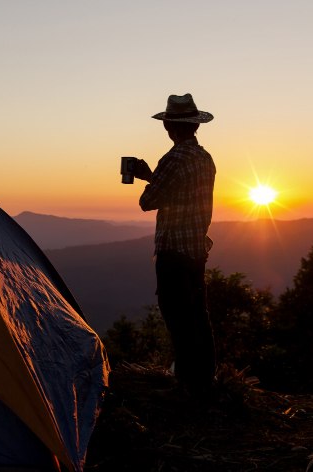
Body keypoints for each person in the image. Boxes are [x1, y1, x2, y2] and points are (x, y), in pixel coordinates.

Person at [130, 93, 217, 397]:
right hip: (196, 248)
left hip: (173, 250)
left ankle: (186, 384)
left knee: (177, 316)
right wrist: (152, 176)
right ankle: (205, 379)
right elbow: (182, 191)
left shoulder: (173, 158)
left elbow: (148, 201)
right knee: (197, 313)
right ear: (195, 126)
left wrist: (145, 180)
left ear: (168, 125)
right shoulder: (204, 158)